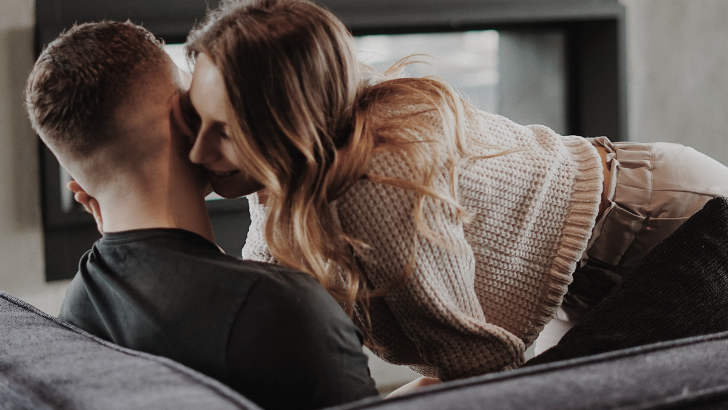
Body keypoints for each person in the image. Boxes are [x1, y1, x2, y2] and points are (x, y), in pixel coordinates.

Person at [182, 0, 728, 383]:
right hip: (591, 267)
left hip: (662, 220)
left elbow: (476, 362)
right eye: (196, 120)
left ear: (289, 124)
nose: (197, 152)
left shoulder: (375, 181)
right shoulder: (289, 170)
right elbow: (266, 294)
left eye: (225, 132)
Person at [24, 20, 378, 409]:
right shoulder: (282, 310)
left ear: (80, 185)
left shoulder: (77, 309)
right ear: (183, 118)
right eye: (194, 98)